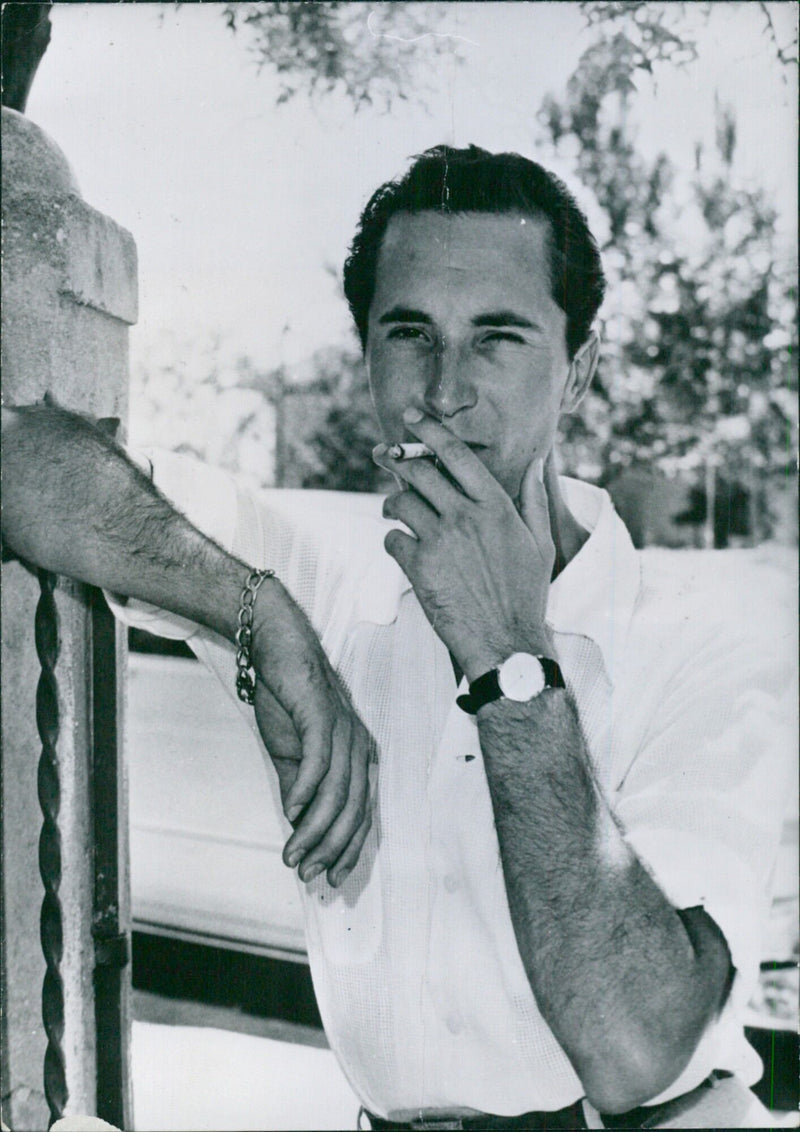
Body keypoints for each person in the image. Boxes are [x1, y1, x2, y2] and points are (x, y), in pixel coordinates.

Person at [2, 146, 789, 1129]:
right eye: (409, 333)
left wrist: (510, 661)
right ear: (366, 354)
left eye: (496, 338)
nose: (443, 391)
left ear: (578, 367)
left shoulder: (704, 643)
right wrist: (259, 610)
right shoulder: (325, 566)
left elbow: (636, 1048)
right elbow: (18, 459)